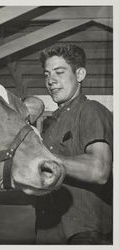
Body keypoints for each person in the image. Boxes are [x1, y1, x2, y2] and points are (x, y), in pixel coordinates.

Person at [35, 44, 113, 244]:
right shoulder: (51, 127)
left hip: (85, 234)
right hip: (48, 234)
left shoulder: (91, 110)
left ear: (79, 74)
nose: (50, 81)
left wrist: (43, 159)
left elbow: (99, 170)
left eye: (59, 72)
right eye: (46, 74)